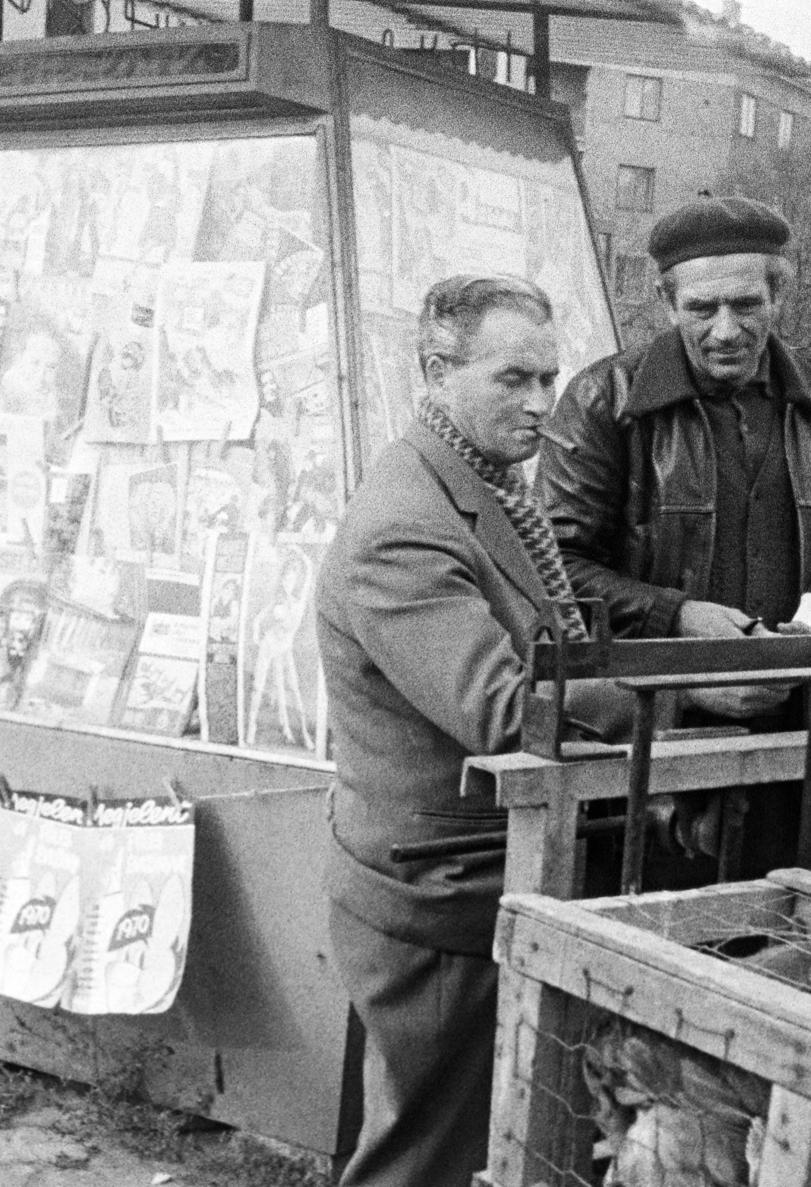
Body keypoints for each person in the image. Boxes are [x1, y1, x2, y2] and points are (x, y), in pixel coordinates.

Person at [316, 275, 619, 1187]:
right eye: (513, 379)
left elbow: (550, 643)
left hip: (466, 874)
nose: (540, 405)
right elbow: (503, 708)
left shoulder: (476, 483)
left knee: (462, 1141)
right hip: (439, 895)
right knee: (421, 1161)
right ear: (436, 369)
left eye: (549, 379)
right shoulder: (405, 523)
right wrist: (668, 704)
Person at [537, 195, 811, 884]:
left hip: (792, 733)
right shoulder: (606, 399)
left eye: (746, 304)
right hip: (650, 742)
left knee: (781, 932)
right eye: (702, 309)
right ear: (669, 306)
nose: (726, 329)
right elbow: (554, 566)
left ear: (778, 294)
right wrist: (680, 622)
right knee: (646, 936)